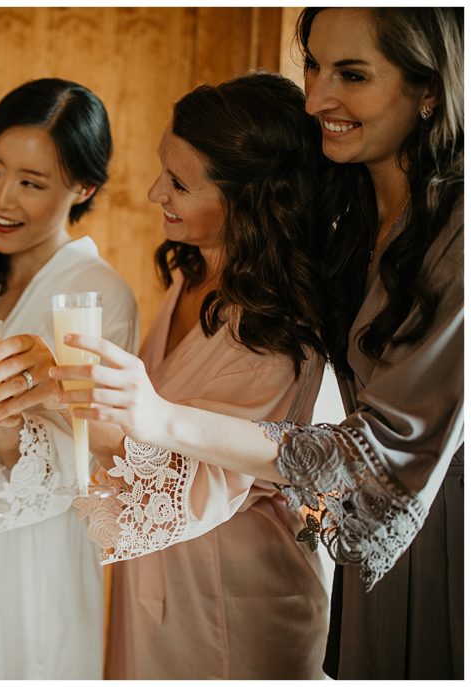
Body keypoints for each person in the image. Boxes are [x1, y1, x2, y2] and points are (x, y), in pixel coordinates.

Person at [55, 7, 463, 680]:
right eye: (313, 66)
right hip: (354, 567)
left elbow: (371, 454)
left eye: (352, 74)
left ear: (430, 89)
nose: (318, 98)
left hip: (431, 522)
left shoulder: (456, 236)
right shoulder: (355, 216)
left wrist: (155, 416)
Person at [33, 71, 331, 679]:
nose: (152, 193)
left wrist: (59, 393)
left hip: (233, 594)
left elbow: (196, 471)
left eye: (178, 183)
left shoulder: (282, 325)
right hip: (156, 581)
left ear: (248, 200)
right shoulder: (190, 277)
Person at [0, 78, 138, 679]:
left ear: (83, 187)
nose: (1, 198)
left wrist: (7, 431)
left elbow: (91, 462)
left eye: (32, 183)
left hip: (37, 558)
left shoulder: (97, 296)